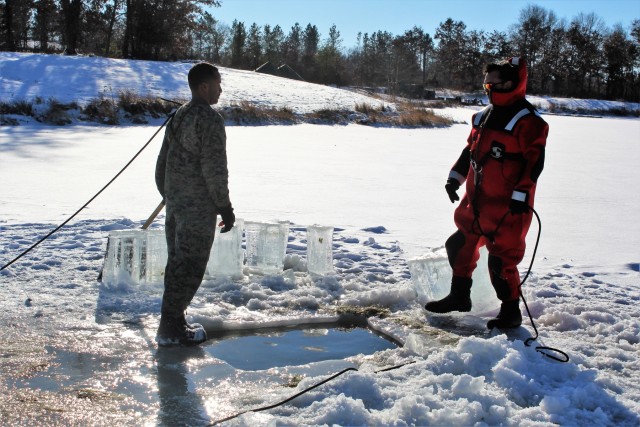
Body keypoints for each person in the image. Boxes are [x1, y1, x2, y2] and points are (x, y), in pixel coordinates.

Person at [425, 57, 548, 329]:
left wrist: (521, 195)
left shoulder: (528, 122)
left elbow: (533, 164)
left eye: (498, 82)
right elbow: (469, 152)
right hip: (476, 203)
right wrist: (454, 178)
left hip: (508, 208)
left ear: (515, 83)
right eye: (488, 82)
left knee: (501, 261)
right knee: (458, 245)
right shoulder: (482, 117)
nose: (491, 87)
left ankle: (510, 311)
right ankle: (459, 296)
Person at [155, 62, 235, 346]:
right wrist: (224, 206)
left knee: (177, 263)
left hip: (176, 205)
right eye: (217, 84)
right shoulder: (209, 120)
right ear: (204, 87)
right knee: (189, 266)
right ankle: (169, 329)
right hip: (197, 209)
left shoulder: (178, 116)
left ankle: (174, 320)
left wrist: (169, 194)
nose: (220, 89)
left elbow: (161, 163)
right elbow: (214, 168)